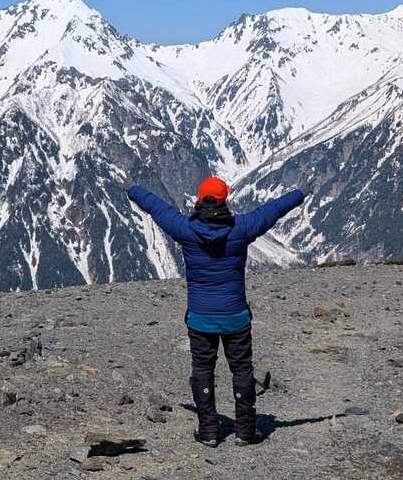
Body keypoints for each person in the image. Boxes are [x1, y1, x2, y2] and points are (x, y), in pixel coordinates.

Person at [128, 176, 305, 447]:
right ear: (225, 201)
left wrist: (133, 189)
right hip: (236, 317)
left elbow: (157, 208)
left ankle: (209, 431)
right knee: (242, 370)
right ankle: (246, 431)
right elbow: (272, 211)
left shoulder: (185, 229)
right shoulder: (241, 228)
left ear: (199, 200)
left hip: (200, 318)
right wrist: (299, 193)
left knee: (202, 370)